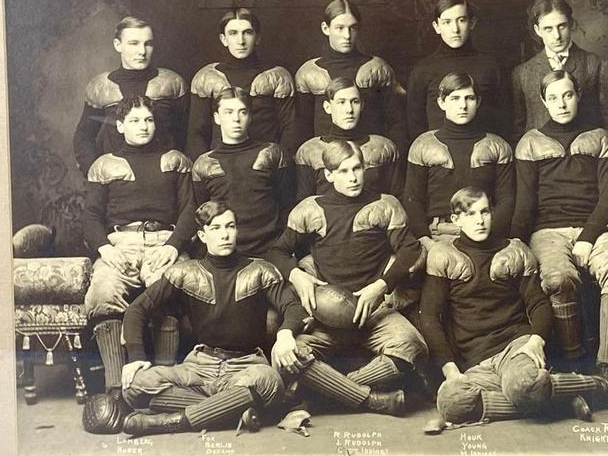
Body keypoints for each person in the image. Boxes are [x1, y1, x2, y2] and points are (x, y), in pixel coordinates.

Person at [421, 187, 608, 427]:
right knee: (450, 403)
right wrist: (450, 370)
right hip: (474, 360)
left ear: (492, 213)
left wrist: (535, 341)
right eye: (470, 214)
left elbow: (538, 304)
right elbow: (430, 317)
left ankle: (602, 386)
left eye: (485, 211)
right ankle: (561, 401)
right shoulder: (444, 255)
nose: (480, 220)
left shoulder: (514, 250)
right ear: (456, 220)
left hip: (514, 348)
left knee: (526, 386)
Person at [114, 201, 302, 437]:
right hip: (199, 367)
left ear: (237, 230)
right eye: (215, 228)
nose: (224, 234)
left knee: (269, 381)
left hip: (246, 366)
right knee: (135, 385)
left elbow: (293, 306)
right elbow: (137, 309)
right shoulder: (185, 272)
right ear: (202, 235)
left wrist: (285, 333)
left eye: (230, 226)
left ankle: (173, 421)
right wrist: (136, 357)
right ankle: (230, 409)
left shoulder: (261, 270)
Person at [270, 140, 427, 416]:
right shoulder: (310, 208)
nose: (352, 177)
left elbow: (411, 249)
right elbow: (276, 251)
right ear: (328, 175)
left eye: (357, 168)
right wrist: (297, 275)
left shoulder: (384, 204)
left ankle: (324, 397)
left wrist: (381, 286)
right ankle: (370, 400)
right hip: (326, 318)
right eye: (343, 171)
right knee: (286, 357)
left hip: (373, 312)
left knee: (412, 347)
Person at [512, 70, 608, 372]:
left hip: (596, 227)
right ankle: (574, 362)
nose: (562, 103)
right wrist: (513, 242)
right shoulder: (530, 143)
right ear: (543, 101)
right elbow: (525, 203)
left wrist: (588, 236)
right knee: (557, 279)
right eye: (553, 97)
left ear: (578, 95)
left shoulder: (601, 138)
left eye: (567, 95)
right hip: (547, 231)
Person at [82, 95, 197, 398]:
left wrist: (174, 246)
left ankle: (162, 383)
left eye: (148, 119)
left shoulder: (175, 160)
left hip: (164, 241)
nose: (142, 126)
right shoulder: (104, 165)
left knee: (168, 290)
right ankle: (116, 386)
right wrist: (105, 249)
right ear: (120, 125)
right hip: (121, 243)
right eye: (134, 120)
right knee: (103, 291)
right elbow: (91, 216)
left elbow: (189, 211)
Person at [404, 72, 514, 249]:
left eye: (469, 98)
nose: (463, 105)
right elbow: (414, 200)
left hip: (484, 235)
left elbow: (506, 199)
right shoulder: (423, 145)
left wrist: (491, 239)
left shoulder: (497, 146)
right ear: (441, 102)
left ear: (478, 102)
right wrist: (426, 241)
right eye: (455, 98)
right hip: (439, 236)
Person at [73, 16, 187, 176]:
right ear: (117, 45)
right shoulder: (101, 87)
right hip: (118, 182)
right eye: (134, 43)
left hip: (164, 180)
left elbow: (187, 133)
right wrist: (95, 173)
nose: (142, 51)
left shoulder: (171, 82)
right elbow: (84, 136)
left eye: (148, 44)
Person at [192, 87, 294, 260]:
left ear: (250, 116)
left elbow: (287, 206)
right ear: (217, 118)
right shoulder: (204, 164)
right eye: (228, 112)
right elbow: (200, 212)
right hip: (226, 253)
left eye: (242, 112)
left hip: (270, 252)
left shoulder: (273, 153)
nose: (236, 119)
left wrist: (283, 249)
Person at [294, 0, 406, 152]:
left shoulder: (377, 68)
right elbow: (302, 127)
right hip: (325, 161)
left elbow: (396, 124)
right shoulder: (309, 72)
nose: (347, 35)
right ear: (326, 28)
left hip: (370, 159)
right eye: (340, 28)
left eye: (352, 28)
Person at [511, 0, 608, 143]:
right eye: (548, 29)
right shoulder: (522, 74)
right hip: (540, 162)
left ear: (571, 24)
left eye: (561, 26)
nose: (557, 36)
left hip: (586, 160)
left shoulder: (598, 66)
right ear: (538, 30)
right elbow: (518, 131)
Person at [186, 7, 295, 157]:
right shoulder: (206, 77)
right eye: (233, 33)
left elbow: (289, 130)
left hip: (265, 165)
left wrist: (280, 166)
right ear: (223, 39)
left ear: (257, 38)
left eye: (247, 32)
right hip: (220, 165)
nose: (241, 41)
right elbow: (196, 132)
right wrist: (206, 168)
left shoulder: (278, 76)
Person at [406, 0, 508, 139]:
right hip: (438, 157)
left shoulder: (490, 66)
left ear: (472, 23)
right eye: (447, 22)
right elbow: (415, 125)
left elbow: (504, 121)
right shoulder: (423, 70)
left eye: (461, 20)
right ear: (437, 26)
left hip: (484, 156)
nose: (455, 29)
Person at [294, 77, 401, 202]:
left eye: (355, 101)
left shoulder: (384, 148)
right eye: (341, 102)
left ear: (362, 105)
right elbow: (305, 205)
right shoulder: (310, 151)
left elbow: (396, 199)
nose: (349, 110)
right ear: (327, 107)